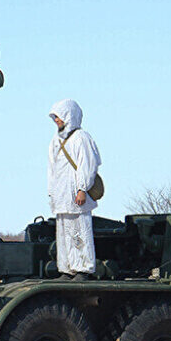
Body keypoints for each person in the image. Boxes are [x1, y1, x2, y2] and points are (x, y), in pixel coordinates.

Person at [47, 99, 101, 280]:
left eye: (59, 116)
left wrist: (82, 188)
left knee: (79, 230)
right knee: (63, 233)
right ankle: (66, 268)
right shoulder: (55, 140)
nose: (57, 120)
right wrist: (51, 190)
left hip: (75, 193)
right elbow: (52, 168)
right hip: (61, 194)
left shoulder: (81, 138)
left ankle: (83, 268)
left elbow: (88, 165)